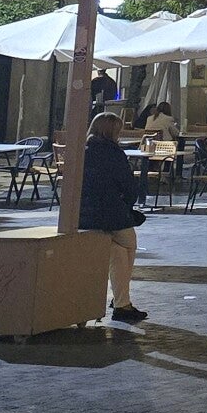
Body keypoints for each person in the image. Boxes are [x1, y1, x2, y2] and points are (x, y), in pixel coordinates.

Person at [81, 112, 146, 324]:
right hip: (111, 214)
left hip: (83, 215)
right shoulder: (114, 153)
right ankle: (121, 303)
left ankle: (122, 301)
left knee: (117, 251)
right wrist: (126, 204)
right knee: (129, 243)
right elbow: (128, 187)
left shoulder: (83, 150)